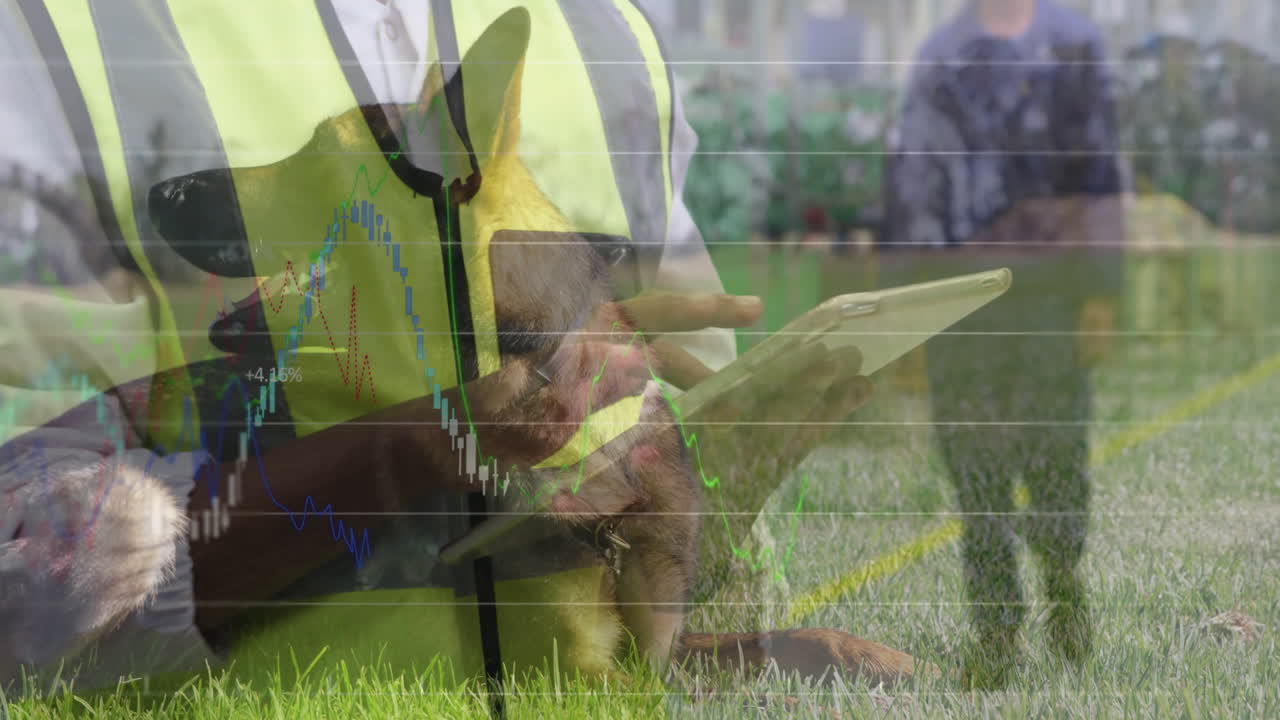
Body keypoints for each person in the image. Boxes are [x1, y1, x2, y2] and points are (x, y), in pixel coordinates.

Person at [0, 0, 871, 697]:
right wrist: (411, 448)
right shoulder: (46, 37)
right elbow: (22, 595)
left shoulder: (609, 35)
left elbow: (647, 481)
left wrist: (722, 513)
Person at [883, 0, 1125, 688]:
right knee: (976, 468)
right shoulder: (941, 56)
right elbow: (915, 183)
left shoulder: (1073, 47)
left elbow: (1098, 172)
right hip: (963, 301)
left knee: (1054, 450)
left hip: (1050, 296)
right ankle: (996, 630)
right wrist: (907, 313)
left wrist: (1100, 291)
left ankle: (1062, 578)